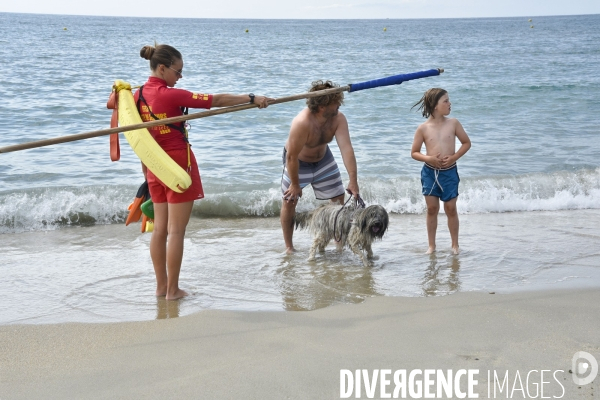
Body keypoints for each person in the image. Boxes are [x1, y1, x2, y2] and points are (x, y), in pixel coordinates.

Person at [137, 44, 271, 300]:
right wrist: (252, 98)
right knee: (176, 231)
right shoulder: (170, 95)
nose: (180, 78)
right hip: (178, 166)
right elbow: (215, 100)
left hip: (153, 166)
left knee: (160, 230)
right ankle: (173, 291)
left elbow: (125, 120)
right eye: (178, 72)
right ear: (162, 68)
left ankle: (161, 287)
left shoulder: (137, 96)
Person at [280, 80, 359, 254]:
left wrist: (353, 180)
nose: (339, 104)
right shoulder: (302, 122)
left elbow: (347, 149)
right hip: (297, 163)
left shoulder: (338, 119)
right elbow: (291, 156)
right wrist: (295, 184)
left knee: (338, 198)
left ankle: (339, 242)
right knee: (289, 200)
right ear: (322, 106)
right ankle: (289, 247)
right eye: (335, 101)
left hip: (323, 160)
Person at [410, 88, 471, 255]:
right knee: (432, 209)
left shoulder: (454, 123)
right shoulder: (423, 128)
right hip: (430, 173)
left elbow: (466, 143)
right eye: (445, 101)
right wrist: (429, 158)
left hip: (449, 172)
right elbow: (414, 152)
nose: (449, 103)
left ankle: (455, 245)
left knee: (450, 208)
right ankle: (431, 246)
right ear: (435, 106)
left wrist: (454, 157)